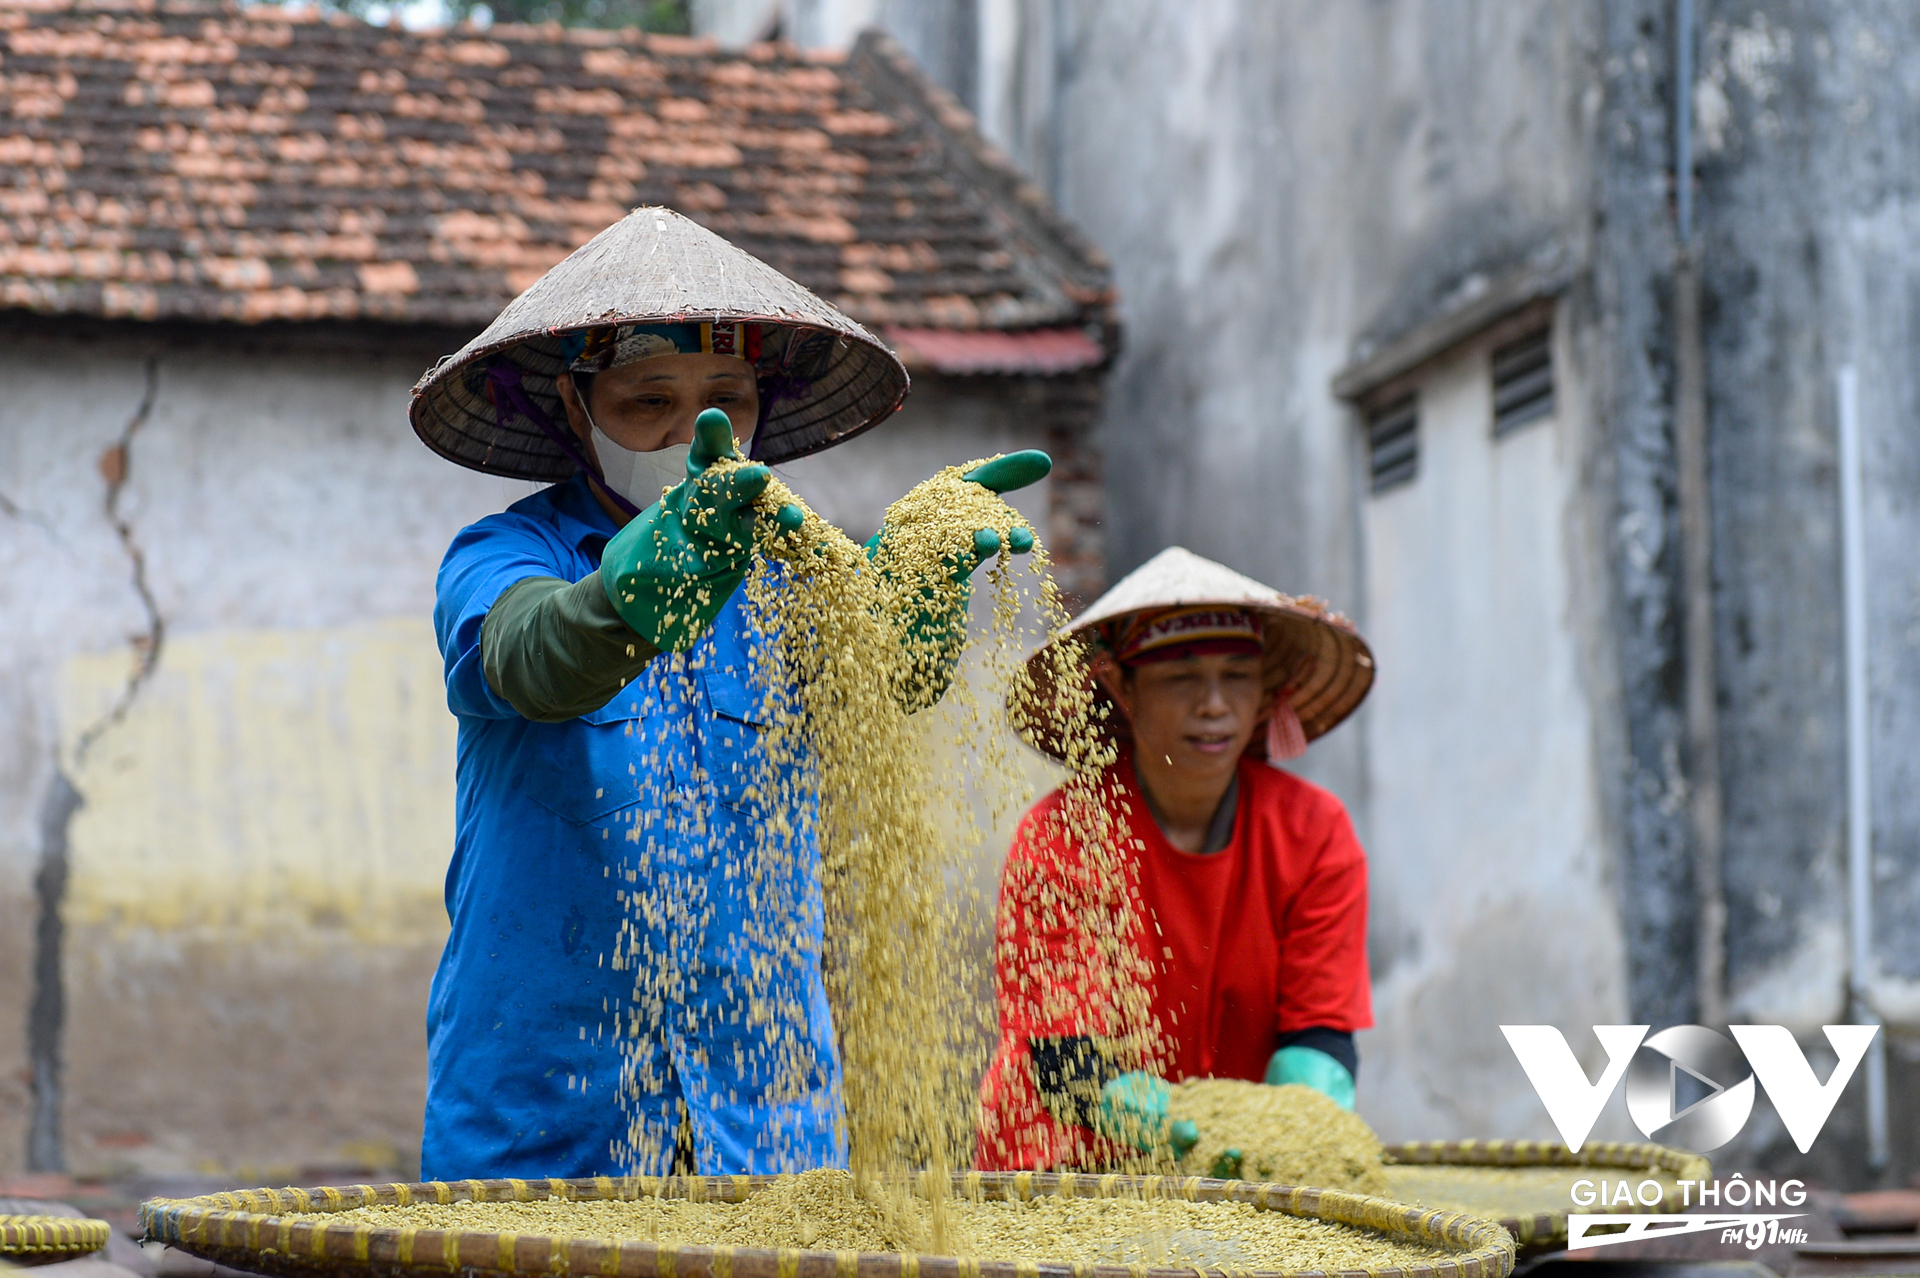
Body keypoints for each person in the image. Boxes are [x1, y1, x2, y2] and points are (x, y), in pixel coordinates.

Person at [408, 208, 1049, 1180]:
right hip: (548, 1109)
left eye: (727, 398)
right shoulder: (508, 555)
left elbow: (881, 694)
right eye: (645, 401)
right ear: (576, 411)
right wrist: (623, 598)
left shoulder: (800, 575)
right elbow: (528, 654)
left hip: (763, 1117)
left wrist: (914, 607)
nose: (687, 432)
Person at [977, 546, 1376, 1172]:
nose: (1214, 704)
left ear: (1266, 687)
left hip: (1243, 1170)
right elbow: (1060, 1055)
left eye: (1237, 676)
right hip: (1064, 1160)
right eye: (1181, 678)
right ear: (1121, 687)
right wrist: (1174, 1128)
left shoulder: (1314, 833)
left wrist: (1299, 1123)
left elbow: (1320, 1029)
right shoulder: (1063, 835)